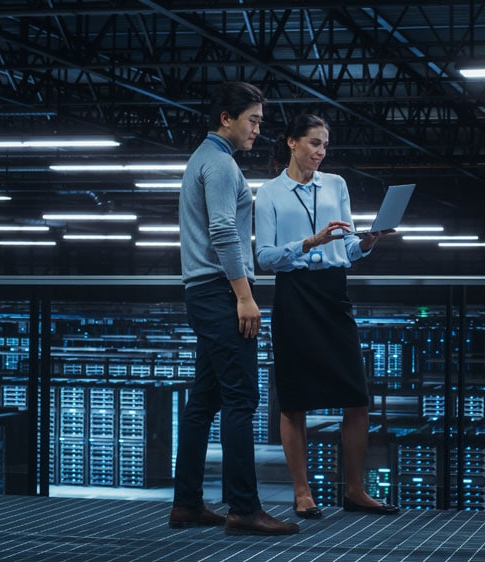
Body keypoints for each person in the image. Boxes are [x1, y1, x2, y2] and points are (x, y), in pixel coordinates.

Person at [169, 82, 299, 536]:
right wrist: (244, 296)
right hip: (220, 293)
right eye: (254, 120)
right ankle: (244, 508)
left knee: (204, 401)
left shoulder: (202, 159)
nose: (259, 130)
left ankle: (186, 504)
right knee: (241, 399)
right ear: (227, 117)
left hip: (203, 293)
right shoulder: (220, 164)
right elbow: (224, 231)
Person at [254, 114, 400, 518]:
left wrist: (366, 243)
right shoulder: (268, 194)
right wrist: (307, 243)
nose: (321, 152)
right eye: (314, 143)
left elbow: (348, 247)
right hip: (295, 295)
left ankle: (355, 489)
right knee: (295, 401)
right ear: (291, 143)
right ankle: (302, 493)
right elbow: (264, 257)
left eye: (325, 146)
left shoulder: (336, 185)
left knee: (356, 398)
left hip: (334, 293)